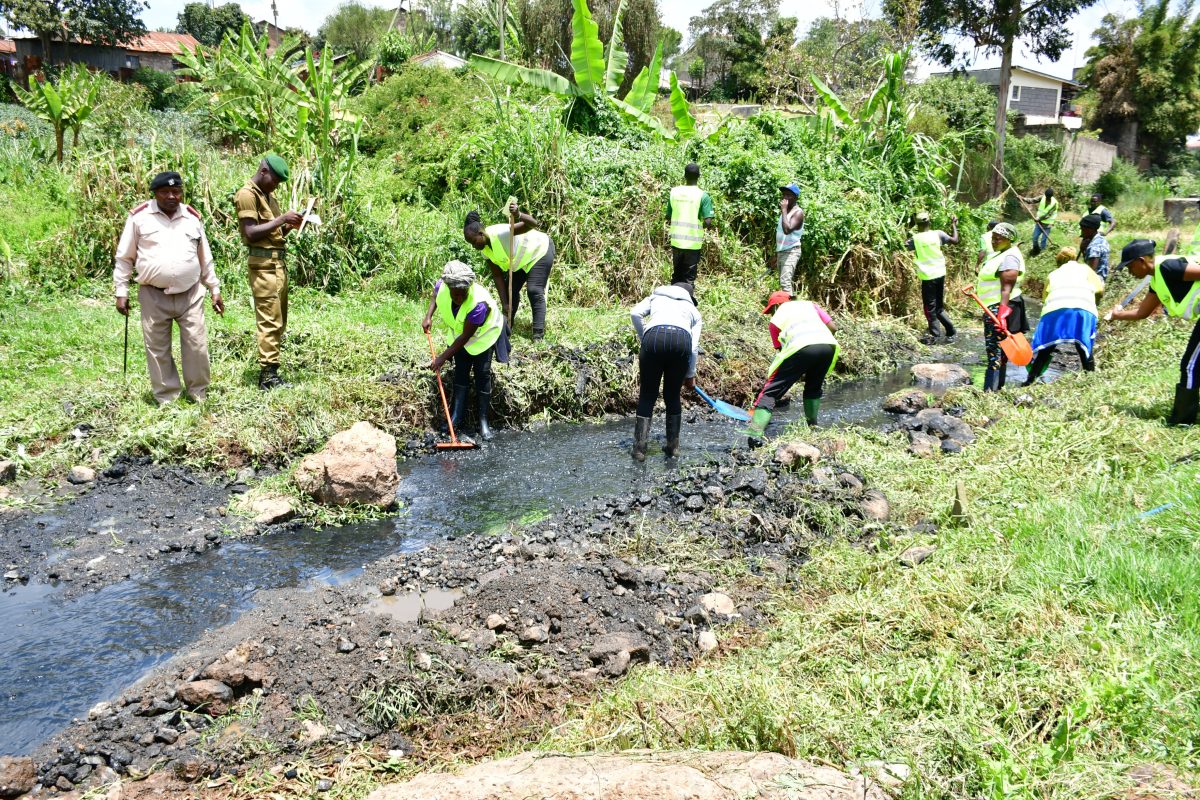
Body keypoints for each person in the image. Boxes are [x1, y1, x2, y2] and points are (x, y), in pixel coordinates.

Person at [114, 171, 223, 404]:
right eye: (165, 192)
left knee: (196, 346)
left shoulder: (192, 218)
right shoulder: (139, 218)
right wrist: (121, 292)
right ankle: (167, 398)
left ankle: (199, 393)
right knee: (157, 348)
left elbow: (206, 258)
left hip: (191, 294)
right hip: (153, 295)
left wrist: (214, 288)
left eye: (176, 192)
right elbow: (124, 258)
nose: (172, 196)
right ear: (155, 194)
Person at [1107, 239, 1200, 425]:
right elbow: (1142, 313)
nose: (1129, 272)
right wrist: (1117, 315)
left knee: (1190, 366)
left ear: (1141, 261)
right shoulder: (1157, 279)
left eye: (1130, 266)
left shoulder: (1168, 267)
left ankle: (1182, 421)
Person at [234, 155, 303, 390]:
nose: (276, 186)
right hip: (263, 267)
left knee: (279, 319)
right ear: (263, 170)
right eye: (275, 180)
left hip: (277, 265)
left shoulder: (268, 197)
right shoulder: (247, 194)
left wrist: (288, 227)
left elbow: (273, 235)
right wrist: (281, 218)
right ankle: (268, 376)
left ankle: (272, 370)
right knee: (269, 320)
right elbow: (251, 233)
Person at [422, 260, 506, 441]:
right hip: (460, 335)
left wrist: (442, 358)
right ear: (449, 286)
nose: (459, 297)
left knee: (482, 374)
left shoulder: (478, 304)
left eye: (463, 293)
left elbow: (465, 338)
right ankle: (456, 419)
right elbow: (436, 293)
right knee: (461, 372)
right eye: (456, 293)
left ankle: (483, 422)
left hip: (483, 337)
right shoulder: (443, 285)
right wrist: (428, 316)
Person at [744, 291, 838, 447]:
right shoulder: (810, 305)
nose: (771, 314)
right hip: (828, 347)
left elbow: (782, 351)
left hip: (801, 348)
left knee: (770, 393)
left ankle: (754, 435)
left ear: (776, 306)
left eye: (771, 310)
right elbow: (833, 327)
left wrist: (798, 367)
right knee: (813, 389)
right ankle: (813, 427)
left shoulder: (775, 320)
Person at [629, 282, 703, 461]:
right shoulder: (693, 310)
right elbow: (694, 348)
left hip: (653, 339)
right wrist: (690, 375)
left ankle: (639, 450)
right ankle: (673, 447)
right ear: (690, 297)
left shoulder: (656, 297)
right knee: (672, 395)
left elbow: (634, 313)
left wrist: (643, 336)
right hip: (681, 342)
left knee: (647, 394)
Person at [463, 204, 555, 341]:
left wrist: (519, 215)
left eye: (474, 242)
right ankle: (507, 326)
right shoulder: (485, 251)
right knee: (509, 292)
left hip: (539, 251)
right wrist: (505, 303)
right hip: (520, 261)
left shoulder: (501, 233)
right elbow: (497, 275)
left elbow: (533, 224)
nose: (474, 246)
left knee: (534, 290)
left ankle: (538, 334)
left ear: (481, 234)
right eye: (471, 244)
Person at [1024, 247, 1105, 385]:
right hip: (1083, 310)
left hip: (1056, 310)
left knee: (1046, 347)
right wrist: (1094, 303)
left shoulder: (1053, 274)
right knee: (1084, 347)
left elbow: (1045, 298)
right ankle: (1091, 381)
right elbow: (1099, 290)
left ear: (1058, 262)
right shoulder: (1086, 270)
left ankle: (1030, 380)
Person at [977, 222, 1029, 392]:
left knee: (995, 352)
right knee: (1000, 351)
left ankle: (989, 393)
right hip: (996, 306)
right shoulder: (1001, 254)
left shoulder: (1010, 257)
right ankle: (997, 389)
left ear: (1009, 239)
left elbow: (1007, 288)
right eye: (993, 238)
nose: (994, 241)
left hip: (1002, 307)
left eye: (998, 239)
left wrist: (1002, 314)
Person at [906, 211, 959, 342]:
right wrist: (953, 224)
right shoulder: (938, 234)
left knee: (930, 308)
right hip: (940, 273)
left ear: (917, 225)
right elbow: (955, 240)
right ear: (929, 222)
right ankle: (951, 330)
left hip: (928, 277)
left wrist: (908, 227)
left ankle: (935, 336)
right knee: (939, 307)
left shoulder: (915, 239)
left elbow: (903, 243)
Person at [666, 163, 715, 285]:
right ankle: (686, 300)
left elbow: (668, 217)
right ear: (699, 176)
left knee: (676, 275)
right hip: (693, 244)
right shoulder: (703, 196)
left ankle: (673, 300)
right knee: (688, 278)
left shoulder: (674, 192)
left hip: (676, 242)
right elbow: (708, 221)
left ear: (684, 175)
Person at [775, 182, 805, 294]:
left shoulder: (798, 213)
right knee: (782, 282)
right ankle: (785, 306)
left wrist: (783, 210)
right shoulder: (785, 212)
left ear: (795, 197)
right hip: (782, 251)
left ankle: (789, 310)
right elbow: (781, 234)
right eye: (784, 194)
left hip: (791, 251)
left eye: (788, 195)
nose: (785, 198)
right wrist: (777, 252)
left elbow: (787, 230)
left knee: (785, 282)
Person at [1027, 187, 1058, 257]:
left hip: (1048, 225)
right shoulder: (1042, 197)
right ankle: (1036, 249)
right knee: (1034, 238)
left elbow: (1049, 214)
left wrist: (1039, 218)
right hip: (1039, 223)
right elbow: (1032, 200)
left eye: (1048, 198)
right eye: (1046, 197)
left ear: (1051, 197)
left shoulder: (1055, 203)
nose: (1047, 198)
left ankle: (1042, 253)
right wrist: (1023, 198)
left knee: (1043, 240)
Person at [1079, 214, 1111, 280]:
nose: (1081, 233)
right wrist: (1083, 250)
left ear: (1090, 229)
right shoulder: (1101, 239)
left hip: (1096, 282)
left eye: (1083, 230)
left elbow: (1091, 272)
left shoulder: (1094, 247)